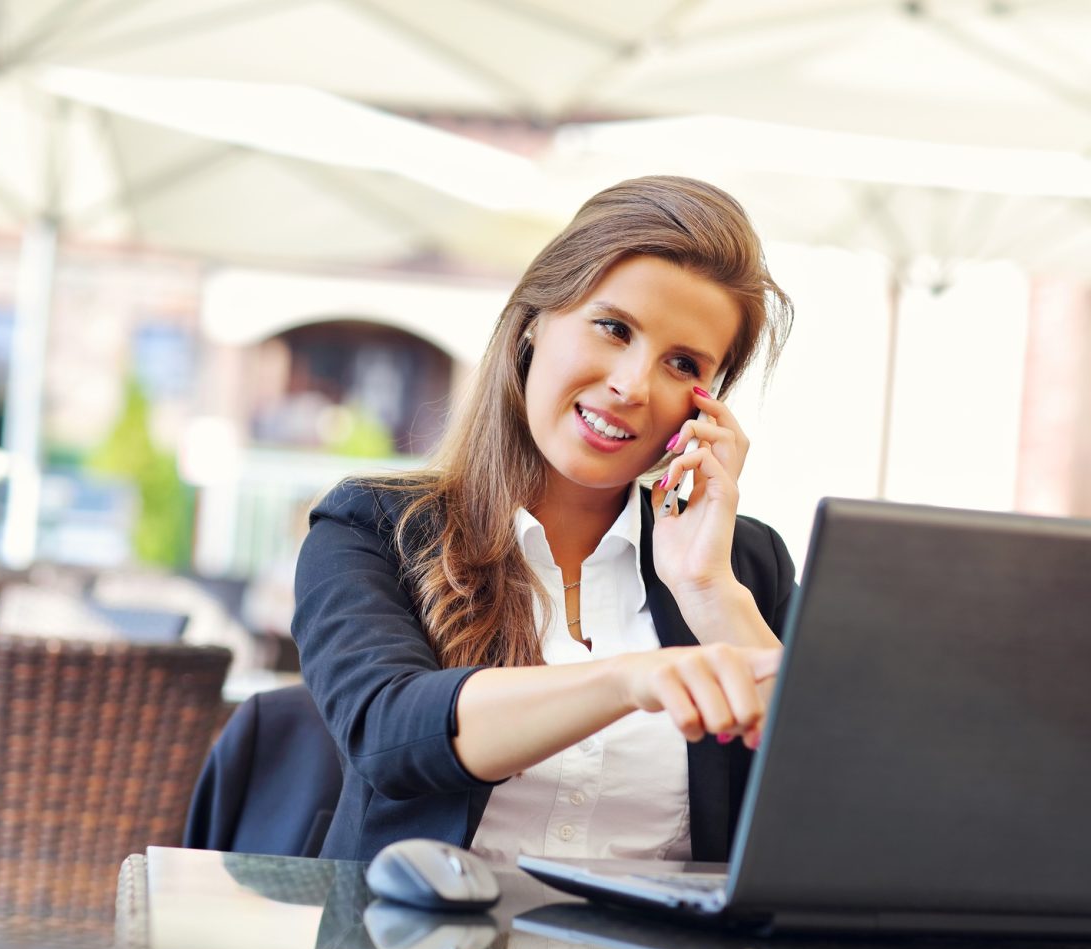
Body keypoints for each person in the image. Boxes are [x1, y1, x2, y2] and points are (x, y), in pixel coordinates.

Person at [292, 176, 796, 865]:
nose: (633, 385)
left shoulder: (742, 567)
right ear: (535, 320)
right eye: (613, 328)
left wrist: (709, 593)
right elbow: (389, 732)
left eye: (683, 363)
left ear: (706, 407)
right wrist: (627, 680)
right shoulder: (373, 526)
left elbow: (822, 802)